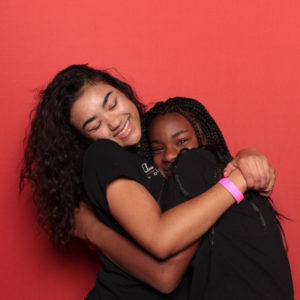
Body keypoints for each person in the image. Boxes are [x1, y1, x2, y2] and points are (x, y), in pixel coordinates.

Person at [20, 64, 277, 299]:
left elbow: (198, 175)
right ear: (84, 139)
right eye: (94, 124)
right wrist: (239, 180)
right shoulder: (103, 155)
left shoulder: (151, 153)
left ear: (123, 92)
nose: (114, 122)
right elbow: (164, 265)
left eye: (112, 104)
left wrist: (246, 157)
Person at [75, 97, 293, 299]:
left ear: (204, 138)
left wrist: (92, 230)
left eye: (181, 141)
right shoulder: (221, 177)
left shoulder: (193, 163)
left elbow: (165, 274)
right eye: (157, 149)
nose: (170, 155)